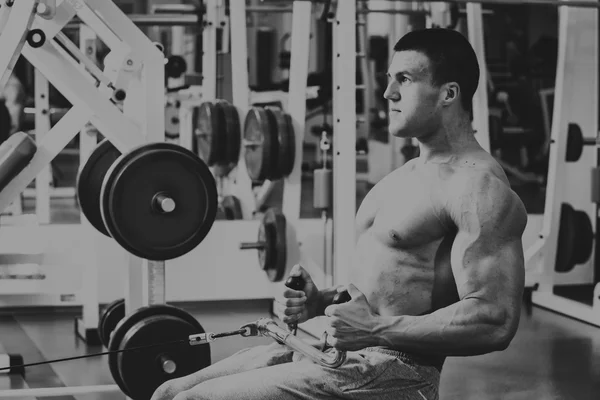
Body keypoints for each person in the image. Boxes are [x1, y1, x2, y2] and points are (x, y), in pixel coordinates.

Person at [151, 28, 527, 400]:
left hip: (394, 372)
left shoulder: (478, 187)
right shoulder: (402, 178)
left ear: (449, 93)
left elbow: (494, 319)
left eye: (405, 80)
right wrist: (321, 301)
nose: (388, 93)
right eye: (389, 79)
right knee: (169, 391)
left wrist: (376, 329)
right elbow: (388, 289)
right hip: (334, 352)